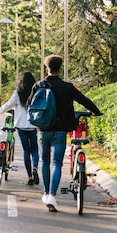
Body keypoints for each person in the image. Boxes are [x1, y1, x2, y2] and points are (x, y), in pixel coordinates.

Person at [30, 55, 103, 212]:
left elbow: (31, 104)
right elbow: (84, 100)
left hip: (43, 130)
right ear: (60, 69)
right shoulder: (67, 87)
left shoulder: (39, 85)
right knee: (57, 163)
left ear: (46, 69)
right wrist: (96, 112)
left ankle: (45, 192)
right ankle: (52, 196)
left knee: (45, 162)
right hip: (60, 131)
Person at [0, 71, 40, 186]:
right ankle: (35, 167)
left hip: (21, 125)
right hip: (33, 125)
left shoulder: (17, 93)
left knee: (26, 151)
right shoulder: (36, 92)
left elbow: (8, 105)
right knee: (35, 150)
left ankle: (30, 176)